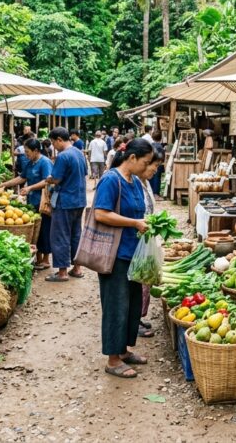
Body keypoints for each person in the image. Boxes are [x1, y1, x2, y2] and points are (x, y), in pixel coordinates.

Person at [93, 139, 154, 378]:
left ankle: (124, 351)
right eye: (146, 162)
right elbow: (100, 213)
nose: (148, 167)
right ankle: (112, 359)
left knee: (131, 304)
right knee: (116, 305)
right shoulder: (111, 179)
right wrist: (134, 223)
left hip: (133, 252)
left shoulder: (136, 182)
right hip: (115, 254)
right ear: (132, 158)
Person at [0, 138, 53, 270]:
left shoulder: (45, 162)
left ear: (36, 151)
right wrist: (4, 184)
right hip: (32, 202)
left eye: (28, 152)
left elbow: (47, 181)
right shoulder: (30, 163)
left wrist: (29, 188)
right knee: (36, 232)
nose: (26, 154)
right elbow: (22, 178)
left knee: (44, 230)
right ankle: (38, 259)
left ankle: (46, 260)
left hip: (43, 202)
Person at [46, 127, 89, 281]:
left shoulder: (63, 156)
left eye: (53, 142)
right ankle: (77, 268)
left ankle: (62, 272)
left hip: (65, 201)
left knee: (60, 235)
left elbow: (56, 179)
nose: (53, 146)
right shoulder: (79, 153)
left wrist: (49, 179)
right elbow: (84, 174)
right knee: (76, 234)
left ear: (59, 139)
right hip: (79, 200)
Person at [136, 142, 166, 338]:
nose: (156, 170)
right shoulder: (134, 182)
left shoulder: (145, 182)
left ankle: (138, 317)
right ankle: (134, 321)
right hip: (138, 238)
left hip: (146, 238)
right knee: (139, 281)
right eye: (154, 165)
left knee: (145, 280)